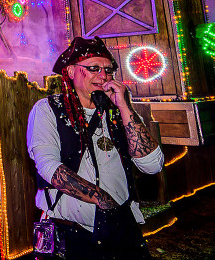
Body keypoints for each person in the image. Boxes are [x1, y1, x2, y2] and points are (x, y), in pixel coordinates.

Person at [27, 36, 164, 260]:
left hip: (123, 231)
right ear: (71, 72)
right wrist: (101, 199)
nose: (103, 76)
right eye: (94, 68)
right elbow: (48, 166)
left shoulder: (119, 111)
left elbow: (152, 165)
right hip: (73, 235)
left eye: (108, 70)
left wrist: (124, 106)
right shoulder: (48, 109)